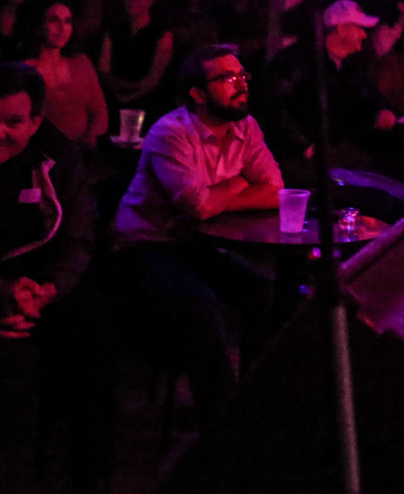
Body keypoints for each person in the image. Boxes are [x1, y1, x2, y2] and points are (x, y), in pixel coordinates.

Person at [0, 64, 113, 493]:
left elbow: (78, 241)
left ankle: (90, 474)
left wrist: (43, 293)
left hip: (34, 284)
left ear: (35, 120)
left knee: (94, 325)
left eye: (13, 122)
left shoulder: (60, 157)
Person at [113, 44, 281, 427]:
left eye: (242, 75)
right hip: (143, 247)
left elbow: (275, 188)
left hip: (193, 243)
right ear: (198, 94)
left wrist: (222, 193)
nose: (241, 84)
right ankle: (223, 426)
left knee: (262, 291)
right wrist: (240, 183)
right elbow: (199, 207)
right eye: (228, 78)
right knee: (203, 309)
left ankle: (253, 398)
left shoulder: (246, 127)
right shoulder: (170, 132)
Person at [261, 0, 395, 180]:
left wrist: (382, 110)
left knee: (380, 172)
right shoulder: (296, 60)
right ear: (342, 29)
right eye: (359, 28)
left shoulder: (353, 64)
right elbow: (274, 107)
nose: (364, 35)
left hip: (338, 149)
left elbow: (368, 94)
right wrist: (303, 145)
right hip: (300, 156)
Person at [25, 0, 108, 150]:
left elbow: (100, 113)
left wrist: (89, 142)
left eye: (67, 21)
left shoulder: (81, 63)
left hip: (83, 151)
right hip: (41, 151)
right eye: (54, 20)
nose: (62, 28)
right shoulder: (26, 69)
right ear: (39, 26)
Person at [98, 0, 175, 117]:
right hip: (114, 100)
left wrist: (129, 97)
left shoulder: (162, 34)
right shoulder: (113, 31)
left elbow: (154, 78)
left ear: (150, 1)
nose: (132, 0)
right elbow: (103, 70)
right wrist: (120, 92)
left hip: (149, 104)